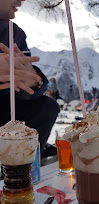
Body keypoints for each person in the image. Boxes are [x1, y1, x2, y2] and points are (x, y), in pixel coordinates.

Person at [0, 0, 60, 155]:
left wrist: (33, 83)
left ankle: (26, 162)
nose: (21, 1)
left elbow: (27, 81)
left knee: (47, 107)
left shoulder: (14, 33)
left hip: (5, 108)